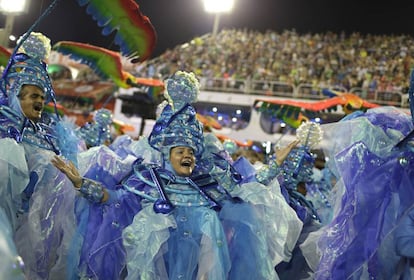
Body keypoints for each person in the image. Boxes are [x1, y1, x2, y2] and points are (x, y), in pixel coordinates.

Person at [53, 70, 303, 279]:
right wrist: (81, 183)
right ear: (167, 154)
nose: (188, 156)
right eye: (181, 151)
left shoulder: (208, 186)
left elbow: (248, 189)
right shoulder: (148, 182)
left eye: (191, 152)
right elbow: (114, 198)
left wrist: (275, 164)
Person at [0, 32, 80, 279]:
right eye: (34, 96)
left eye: (43, 97)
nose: (40, 101)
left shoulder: (51, 137)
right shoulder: (4, 130)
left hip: (34, 227)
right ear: (17, 96)